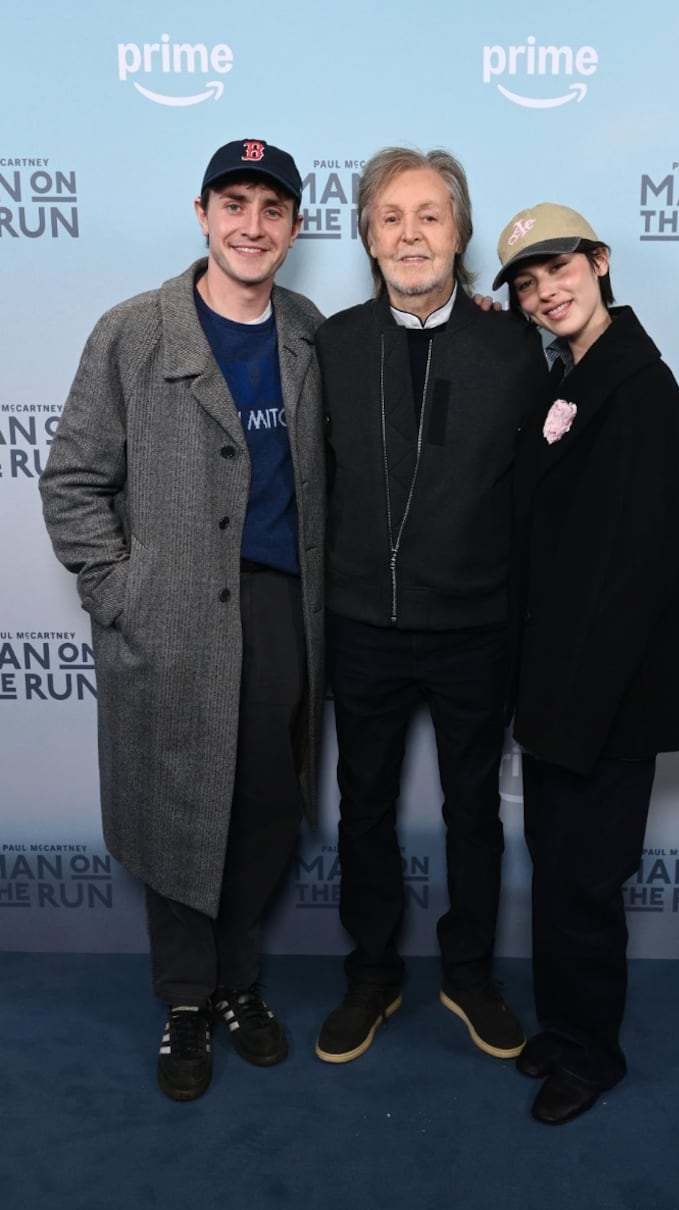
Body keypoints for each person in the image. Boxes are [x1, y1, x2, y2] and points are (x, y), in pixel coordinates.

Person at [39, 138, 325, 1102]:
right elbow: (74, 479)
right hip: (170, 616)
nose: (253, 225)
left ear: (294, 226)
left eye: (272, 209)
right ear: (202, 213)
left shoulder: (311, 334)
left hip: (281, 609)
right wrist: (120, 594)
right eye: (234, 203)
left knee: (263, 811)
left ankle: (240, 985)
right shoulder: (133, 331)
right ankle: (185, 1001)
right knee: (176, 810)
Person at [314, 147, 549, 1065]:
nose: (411, 234)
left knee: (472, 814)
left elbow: (536, 496)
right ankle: (371, 976)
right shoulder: (331, 343)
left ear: (459, 235)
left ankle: (470, 973)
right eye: (391, 218)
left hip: (476, 629)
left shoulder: (510, 345)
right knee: (362, 808)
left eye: (430, 217)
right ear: (369, 238)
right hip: (362, 626)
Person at [491, 203, 679, 1124]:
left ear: (600, 261)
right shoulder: (578, 379)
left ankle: (595, 1055)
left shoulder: (639, 394)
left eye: (559, 269)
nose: (547, 292)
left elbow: (631, 581)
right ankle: (567, 1024)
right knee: (556, 868)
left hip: (605, 700)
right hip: (559, 687)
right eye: (528, 283)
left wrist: (572, 719)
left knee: (585, 878)